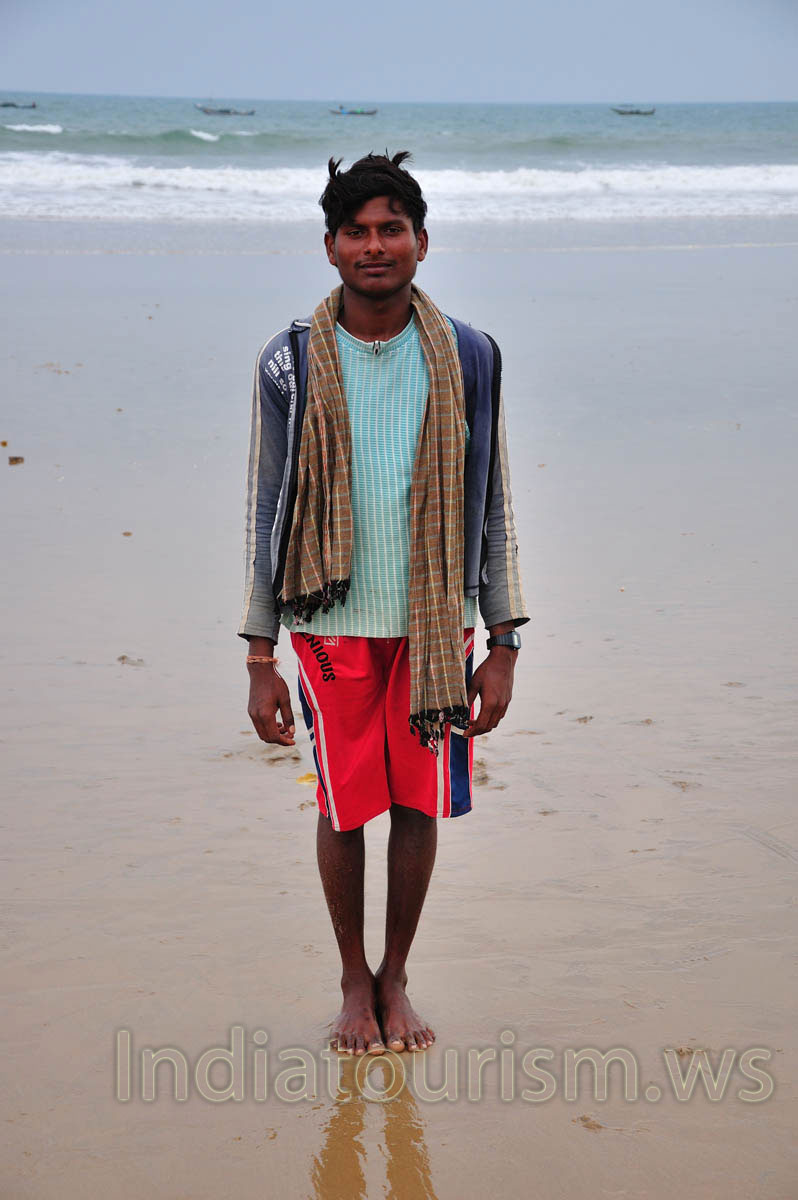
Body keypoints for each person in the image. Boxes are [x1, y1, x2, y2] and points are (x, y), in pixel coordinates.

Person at [238, 152, 528, 1056]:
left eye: (391, 228)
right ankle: (351, 979)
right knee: (341, 807)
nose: (375, 245)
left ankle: (395, 975)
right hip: (327, 627)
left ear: (422, 242)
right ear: (329, 247)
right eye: (356, 230)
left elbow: (493, 500)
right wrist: (258, 656)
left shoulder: (471, 356)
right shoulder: (289, 363)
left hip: (437, 624)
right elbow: (267, 503)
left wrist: (506, 638)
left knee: (416, 806)